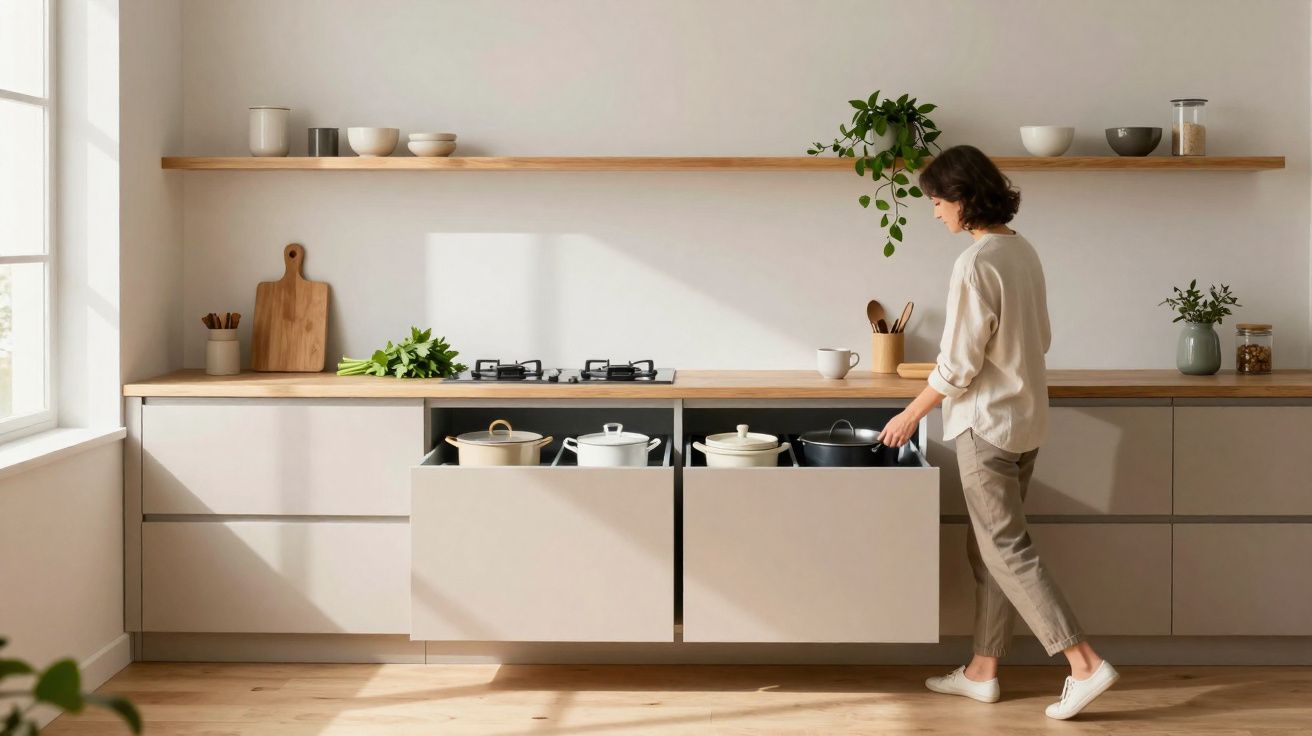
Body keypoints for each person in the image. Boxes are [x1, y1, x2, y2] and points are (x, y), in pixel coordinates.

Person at [877, 145, 1118, 720]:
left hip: (986, 425)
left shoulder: (976, 263)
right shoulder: (1022, 251)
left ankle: (1083, 663)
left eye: (937, 202)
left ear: (962, 199)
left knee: (1004, 548)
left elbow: (958, 366)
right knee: (988, 547)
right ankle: (983, 670)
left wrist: (911, 413)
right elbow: (1041, 338)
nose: (935, 213)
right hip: (1025, 419)